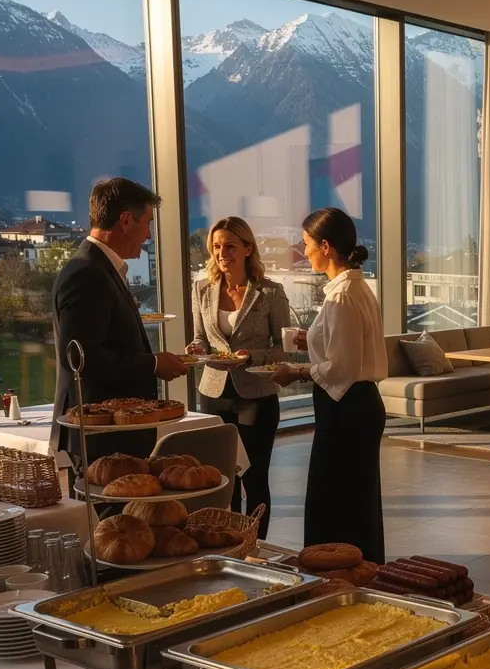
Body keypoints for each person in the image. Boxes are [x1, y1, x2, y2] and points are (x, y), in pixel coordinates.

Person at [269, 208, 388, 562]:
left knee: (332, 498)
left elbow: (343, 367)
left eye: (306, 244)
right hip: (360, 406)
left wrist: (297, 372)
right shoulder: (354, 287)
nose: (303, 252)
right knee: (355, 499)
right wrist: (315, 340)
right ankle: (360, 567)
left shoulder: (341, 296)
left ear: (324, 246)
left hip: (346, 409)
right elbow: (350, 347)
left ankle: (335, 571)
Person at [50, 178, 187, 464]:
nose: (148, 235)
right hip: (103, 434)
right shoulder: (88, 273)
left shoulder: (97, 268)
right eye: (147, 222)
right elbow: (78, 357)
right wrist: (153, 363)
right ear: (126, 220)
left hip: (110, 431)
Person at [187, 217, 291, 539]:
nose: (222, 253)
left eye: (230, 246)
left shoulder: (271, 292)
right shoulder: (202, 289)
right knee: (221, 478)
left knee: (255, 479)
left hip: (256, 397)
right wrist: (196, 348)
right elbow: (202, 338)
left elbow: (282, 349)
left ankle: (255, 547)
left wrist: (253, 357)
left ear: (248, 249)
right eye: (217, 247)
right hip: (213, 394)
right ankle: (227, 545)